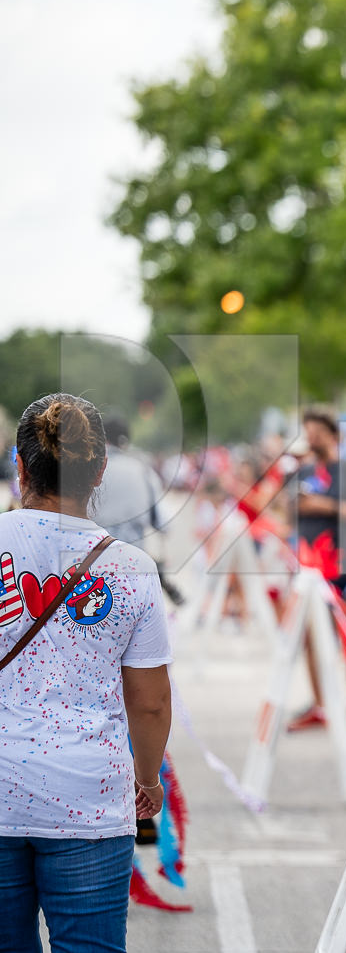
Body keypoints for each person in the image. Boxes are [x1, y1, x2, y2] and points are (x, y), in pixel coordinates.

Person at [0, 393, 173, 953]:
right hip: (89, 797)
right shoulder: (131, 569)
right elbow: (149, 703)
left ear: (19, 465)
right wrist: (147, 781)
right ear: (99, 470)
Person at [287, 406, 346, 732]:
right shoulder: (304, 472)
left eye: (316, 431)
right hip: (311, 568)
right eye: (307, 430)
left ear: (331, 434)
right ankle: (320, 706)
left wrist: (324, 505)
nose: (310, 437)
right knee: (311, 638)